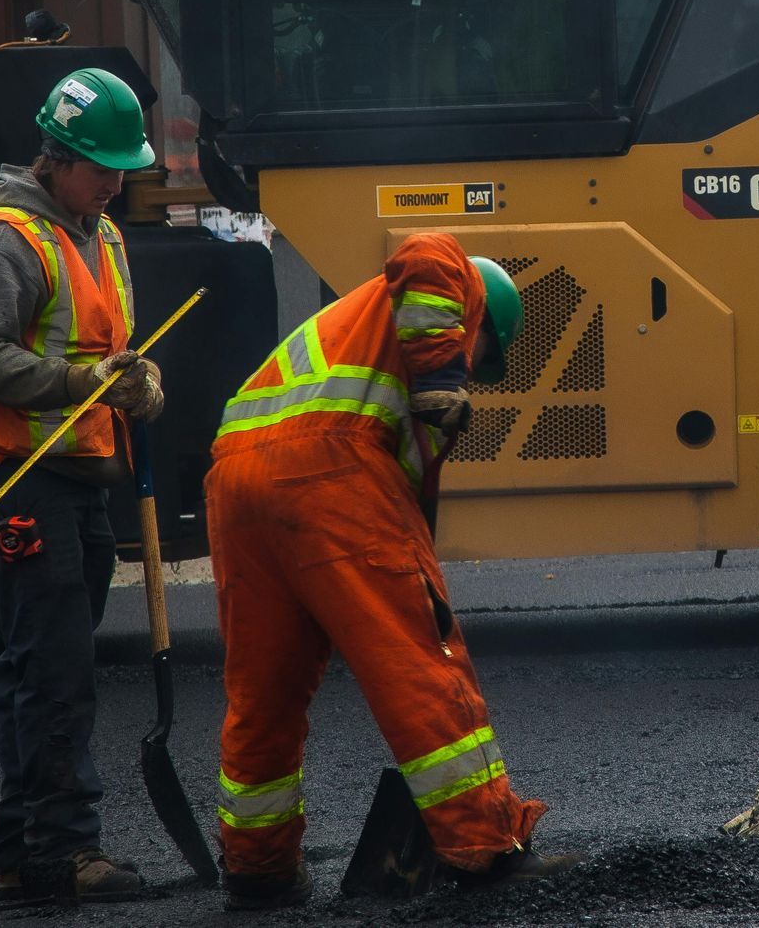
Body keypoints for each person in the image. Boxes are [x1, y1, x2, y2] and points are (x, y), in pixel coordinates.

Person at [206, 231, 577, 908]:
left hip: (236, 478)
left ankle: (258, 868)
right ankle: (485, 846)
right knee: (418, 660)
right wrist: (442, 376)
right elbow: (426, 249)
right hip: (327, 471)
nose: (475, 365)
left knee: (265, 688)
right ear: (478, 318)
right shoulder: (452, 283)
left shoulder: (352, 343)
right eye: (483, 351)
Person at [0, 67, 166, 905]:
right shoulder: (5, 241)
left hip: (68, 468)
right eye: (101, 165)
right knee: (55, 663)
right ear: (56, 157)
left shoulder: (96, 232)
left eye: (120, 166)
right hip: (3, 471)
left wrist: (135, 379)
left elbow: (104, 346)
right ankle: (64, 853)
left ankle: (23, 852)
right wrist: (82, 384)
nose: (115, 180)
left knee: (44, 661)